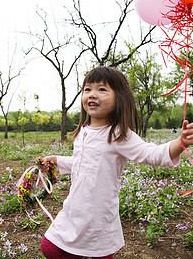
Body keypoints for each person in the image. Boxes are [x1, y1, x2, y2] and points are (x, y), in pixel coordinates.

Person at [40, 66, 193, 259]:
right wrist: (56, 161)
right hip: (74, 208)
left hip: (97, 215)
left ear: (119, 97)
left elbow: (151, 153)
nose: (92, 94)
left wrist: (180, 143)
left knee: (97, 253)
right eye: (87, 89)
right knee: (49, 247)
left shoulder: (119, 134)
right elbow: (83, 162)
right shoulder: (83, 131)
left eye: (102, 89)